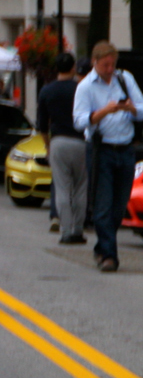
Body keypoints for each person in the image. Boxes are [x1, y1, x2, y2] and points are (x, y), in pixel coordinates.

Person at [73, 42, 143, 273]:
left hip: (125, 148)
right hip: (101, 149)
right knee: (103, 204)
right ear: (94, 62)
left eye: (112, 64)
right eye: (105, 65)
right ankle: (109, 255)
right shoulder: (86, 87)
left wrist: (130, 108)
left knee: (119, 205)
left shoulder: (124, 79)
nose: (109, 69)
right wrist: (104, 111)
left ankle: (102, 246)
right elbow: (79, 121)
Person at [36, 52, 86, 245]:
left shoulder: (47, 91)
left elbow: (42, 125)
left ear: (56, 68)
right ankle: (78, 230)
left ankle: (65, 231)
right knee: (80, 187)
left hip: (58, 141)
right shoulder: (81, 88)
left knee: (62, 188)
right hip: (81, 141)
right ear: (73, 67)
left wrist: (48, 146)